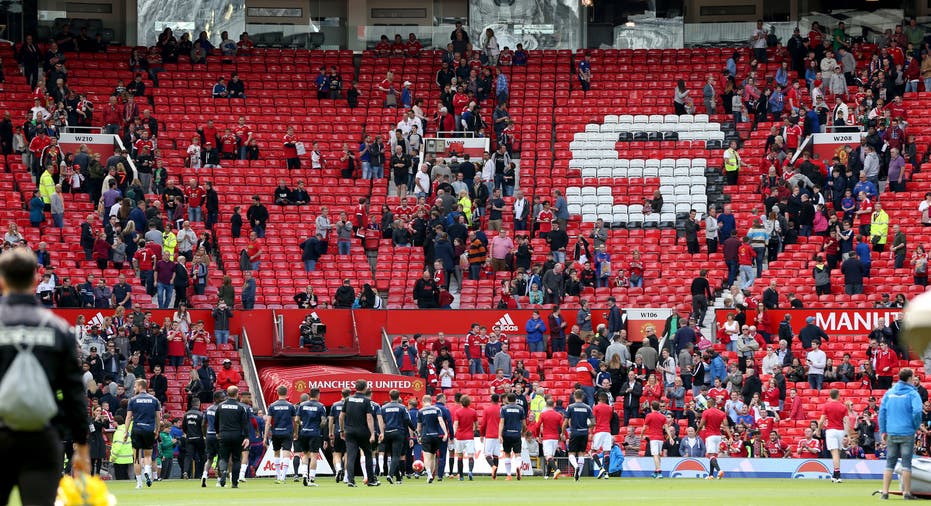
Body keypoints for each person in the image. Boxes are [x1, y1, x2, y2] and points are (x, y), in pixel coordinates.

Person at [0, 248, 89, 503]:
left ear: (2, 280)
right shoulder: (58, 328)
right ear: (36, 280)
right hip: (41, 437)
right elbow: (74, 392)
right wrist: (81, 445)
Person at [879, 368, 923, 500]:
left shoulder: (889, 393)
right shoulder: (913, 394)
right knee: (906, 463)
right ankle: (906, 493)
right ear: (910, 378)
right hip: (907, 431)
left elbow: (882, 413)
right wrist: (915, 425)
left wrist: (883, 431)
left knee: (889, 462)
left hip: (892, 431)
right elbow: (917, 411)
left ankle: (885, 492)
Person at [340, 379, 380, 487]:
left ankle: (350, 480)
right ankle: (371, 480)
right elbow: (369, 418)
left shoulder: (348, 399)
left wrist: (342, 430)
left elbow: (341, 416)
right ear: (365, 388)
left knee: (351, 456)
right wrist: (372, 433)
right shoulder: (366, 401)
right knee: (368, 454)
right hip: (363, 432)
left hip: (349, 431)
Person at [125, 378, 161, 489]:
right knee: (148, 455)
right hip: (149, 430)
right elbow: (158, 417)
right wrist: (157, 430)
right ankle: (147, 470)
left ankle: (139, 483)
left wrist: (126, 431)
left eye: (135, 386)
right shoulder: (154, 400)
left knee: (136, 457)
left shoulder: (132, 400)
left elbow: (129, 417)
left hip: (137, 429)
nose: (134, 388)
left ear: (140, 386)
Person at [213, 386, 249, 488]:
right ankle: (234, 483)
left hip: (224, 434)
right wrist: (246, 437)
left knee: (223, 457)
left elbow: (216, 422)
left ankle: (223, 472)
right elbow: (245, 424)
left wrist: (217, 432)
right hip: (237, 435)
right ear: (237, 394)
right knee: (236, 459)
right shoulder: (241, 407)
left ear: (227, 394)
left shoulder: (220, 406)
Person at [265, 385, 297, 484]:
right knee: (286, 453)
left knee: (276, 453)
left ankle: (278, 475)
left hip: (276, 432)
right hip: (287, 432)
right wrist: (296, 432)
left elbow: (268, 422)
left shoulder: (272, 406)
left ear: (277, 393)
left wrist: (265, 435)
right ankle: (283, 476)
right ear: (286, 393)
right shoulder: (291, 406)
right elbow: (295, 421)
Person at [562, 389, 593, 481]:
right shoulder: (587, 407)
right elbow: (593, 422)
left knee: (571, 453)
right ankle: (578, 476)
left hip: (575, 432)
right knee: (581, 454)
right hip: (584, 432)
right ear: (582, 397)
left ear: (574, 396)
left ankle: (575, 467)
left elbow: (565, 422)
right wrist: (586, 426)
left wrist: (563, 432)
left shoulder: (570, 407)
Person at [819, 389, 848, 483]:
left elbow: (821, 420)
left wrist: (819, 430)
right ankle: (835, 475)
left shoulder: (826, 406)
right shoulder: (843, 407)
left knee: (834, 453)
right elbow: (846, 421)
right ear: (838, 395)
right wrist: (847, 434)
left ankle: (838, 474)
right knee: (838, 453)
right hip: (840, 431)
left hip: (831, 430)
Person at [416, 393, 447, 483]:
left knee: (426, 456)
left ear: (423, 401)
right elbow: (441, 421)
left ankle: (429, 473)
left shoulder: (421, 411)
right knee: (433, 456)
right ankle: (431, 476)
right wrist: (445, 433)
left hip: (426, 435)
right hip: (435, 435)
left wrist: (418, 436)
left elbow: (419, 427)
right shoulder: (437, 409)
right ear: (431, 401)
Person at [498, 392, 525, 481]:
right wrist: (523, 431)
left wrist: (499, 434)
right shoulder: (520, 409)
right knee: (518, 454)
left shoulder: (504, 408)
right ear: (515, 399)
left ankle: (509, 475)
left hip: (506, 434)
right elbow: (524, 423)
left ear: (508, 400)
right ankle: (518, 469)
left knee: (507, 454)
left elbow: (501, 422)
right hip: (516, 433)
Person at [698, 400, 728, 480]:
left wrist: (697, 432)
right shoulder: (721, 413)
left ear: (709, 403)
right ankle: (711, 475)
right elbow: (726, 425)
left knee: (709, 455)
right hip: (718, 436)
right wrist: (730, 436)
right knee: (713, 456)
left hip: (710, 435)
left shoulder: (706, 412)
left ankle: (719, 470)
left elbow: (701, 425)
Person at [452, 394, 478, 481]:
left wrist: (453, 434)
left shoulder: (458, 412)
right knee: (471, 455)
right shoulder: (473, 412)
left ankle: (461, 475)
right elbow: (476, 424)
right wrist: (473, 430)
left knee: (460, 456)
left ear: (461, 402)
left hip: (459, 436)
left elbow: (455, 424)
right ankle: (470, 471)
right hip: (469, 436)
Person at [641, 401, 667, 479]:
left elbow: (644, 427)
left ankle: (659, 472)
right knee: (658, 455)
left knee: (655, 454)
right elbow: (666, 427)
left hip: (653, 438)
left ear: (651, 407)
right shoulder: (662, 416)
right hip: (661, 438)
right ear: (658, 407)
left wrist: (641, 435)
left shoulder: (649, 415)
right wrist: (671, 437)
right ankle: (656, 472)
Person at [181, 398, 205, 480]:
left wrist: (187, 433)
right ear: (199, 404)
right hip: (199, 437)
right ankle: (202, 474)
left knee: (188, 456)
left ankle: (185, 472)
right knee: (202, 456)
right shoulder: (201, 414)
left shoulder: (186, 414)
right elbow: (203, 426)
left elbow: (183, 426)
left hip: (189, 438)